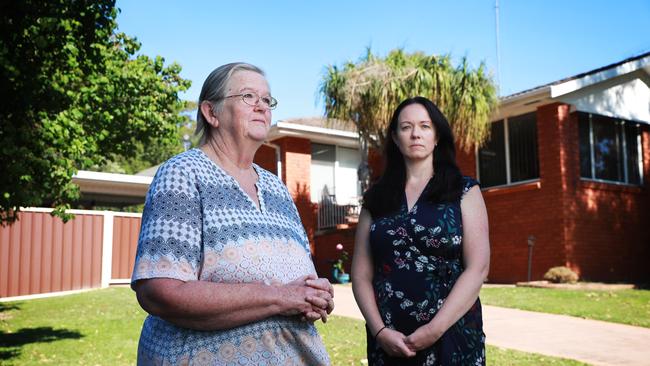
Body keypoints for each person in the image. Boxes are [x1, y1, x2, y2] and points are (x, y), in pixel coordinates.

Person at [131, 62, 332, 365]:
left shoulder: (276, 187)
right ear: (211, 113)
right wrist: (280, 297)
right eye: (248, 96)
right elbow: (159, 291)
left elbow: (301, 279)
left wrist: (316, 293)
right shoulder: (183, 174)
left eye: (267, 100)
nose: (262, 107)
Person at [351, 96, 490, 365]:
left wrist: (434, 329)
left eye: (425, 126)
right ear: (394, 137)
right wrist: (379, 331)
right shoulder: (375, 199)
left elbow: (478, 269)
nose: (416, 133)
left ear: (437, 136)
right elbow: (360, 275)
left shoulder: (464, 191)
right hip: (390, 342)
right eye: (406, 127)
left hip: (453, 337)